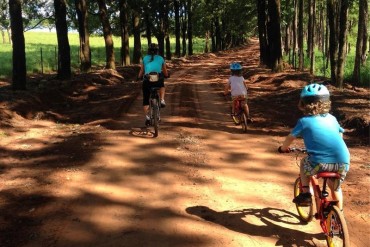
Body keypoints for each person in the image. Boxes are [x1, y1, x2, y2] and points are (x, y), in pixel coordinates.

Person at [278, 83, 350, 211]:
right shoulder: (332, 119)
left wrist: (283, 148)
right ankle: (339, 216)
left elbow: (290, 137)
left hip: (319, 163)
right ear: (326, 102)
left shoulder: (304, 121)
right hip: (343, 162)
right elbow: (340, 134)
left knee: (304, 161)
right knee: (336, 188)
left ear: (304, 103)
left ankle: (305, 194)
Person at [138, 43, 169, 126]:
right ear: (157, 51)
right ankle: (162, 100)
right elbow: (165, 70)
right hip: (157, 80)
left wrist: (139, 77)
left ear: (148, 50)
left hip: (147, 81)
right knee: (162, 86)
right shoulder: (161, 58)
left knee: (145, 99)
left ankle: (148, 118)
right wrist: (166, 75)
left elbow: (142, 71)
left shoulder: (144, 58)